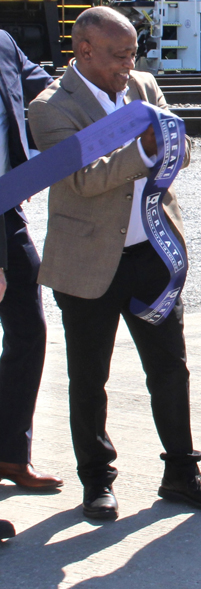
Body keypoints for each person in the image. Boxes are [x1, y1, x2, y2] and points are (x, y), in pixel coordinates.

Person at [27, 6, 201, 520]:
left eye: (133, 53)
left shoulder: (143, 85)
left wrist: (167, 150)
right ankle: (97, 480)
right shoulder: (51, 106)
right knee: (89, 376)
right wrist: (142, 152)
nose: (129, 64)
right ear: (84, 51)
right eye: (119, 56)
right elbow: (80, 179)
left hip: (152, 255)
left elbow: (180, 148)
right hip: (86, 263)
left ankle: (182, 472)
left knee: (170, 368)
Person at [0, 30, 62, 494]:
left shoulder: (2, 40)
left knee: (28, 329)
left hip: (6, 206)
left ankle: (10, 455)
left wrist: (110, 81)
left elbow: (45, 84)